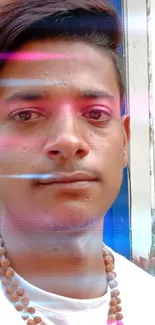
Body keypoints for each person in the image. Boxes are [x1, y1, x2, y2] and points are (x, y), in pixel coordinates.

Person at [0, 0, 154, 324]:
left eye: (96, 114)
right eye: (26, 115)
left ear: (125, 141)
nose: (68, 141)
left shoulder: (148, 301)